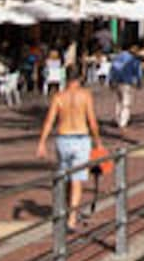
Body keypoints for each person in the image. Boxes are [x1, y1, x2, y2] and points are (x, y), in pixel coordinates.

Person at [36, 74, 101, 230]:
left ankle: (67, 211)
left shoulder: (59, 97)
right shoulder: (85, 95)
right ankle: (71, 218)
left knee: (65, 178)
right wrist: (97, 142)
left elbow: (49, 121)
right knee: (76, 180)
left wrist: (42, 143)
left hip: (63, 138)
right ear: (79, 79)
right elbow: (91, 120)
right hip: (81, 138)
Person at [108, 45, 142, 131]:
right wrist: (139, 83)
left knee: (119, 101)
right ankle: (123, 122)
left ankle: (118, 119)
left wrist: (110, 80)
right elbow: (138, 73)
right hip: (127, 83)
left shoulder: (119, 57)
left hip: (116, 82)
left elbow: (112, 68)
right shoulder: (134, 60)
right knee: (126, 103)